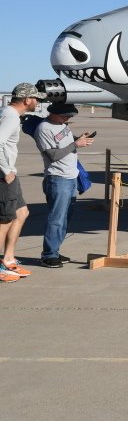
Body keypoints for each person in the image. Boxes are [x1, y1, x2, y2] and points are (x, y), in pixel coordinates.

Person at [33, 103, 94, 268]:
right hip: (58, 179)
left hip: (71, 177)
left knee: (65, 218)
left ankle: (55, 251)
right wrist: (76, 144)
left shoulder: (61, 124)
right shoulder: (44, 129)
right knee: (56, 219)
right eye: (67, 115)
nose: (69, 118)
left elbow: (64, 141)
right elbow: (53, 154)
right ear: (55, 113)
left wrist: (78, 138)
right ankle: (48, 255)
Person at [1, 83, 48, 281]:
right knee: (4, 220)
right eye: (36, 98)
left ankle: (8, 259)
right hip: (4, 175)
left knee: (21, 212)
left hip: (10, 174)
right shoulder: (10, 117)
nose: (37, 102)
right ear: (27, 99)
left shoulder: (9, 114)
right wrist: (6, 171)